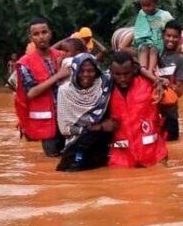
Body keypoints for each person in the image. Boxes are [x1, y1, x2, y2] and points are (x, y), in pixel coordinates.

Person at [15, 17, 68, 157]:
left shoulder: (63, 56)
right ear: (31, 38)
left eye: (44, 32)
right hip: (48, 124)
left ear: (50, 33)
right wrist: (57, 76)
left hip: (69, 119)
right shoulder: (25, 63)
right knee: (52, 160)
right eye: (36, 34)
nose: (41, 37)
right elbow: (31, 93)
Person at [56, 53, 116, 171]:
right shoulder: (64, 91)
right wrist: (98, 127)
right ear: (74, 70)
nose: (86, 75)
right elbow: (65, 129)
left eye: (90, 71)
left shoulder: (105, 83)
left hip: (101, 144)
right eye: (81, 71)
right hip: (76, 144)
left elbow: (128, 65)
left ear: (97, 71)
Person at [108, 51, 169, 168]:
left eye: (126, 73)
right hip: (121, 161)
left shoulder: (150, 84)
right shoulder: (104, 91)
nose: (122, 78)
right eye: (118, 74)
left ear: (134, 70)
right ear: (111, 72)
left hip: (155, 156)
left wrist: (162, 84)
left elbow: (170, 105)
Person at [121, 0, 174, 74]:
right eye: (143, 6)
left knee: (153, 49)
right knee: (143, 48)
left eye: (148, 5)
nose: (145, 8)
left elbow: (174, 29)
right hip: (144, 44)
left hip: (157, 45)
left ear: (156, 3)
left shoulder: (164, 15)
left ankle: (150, 71)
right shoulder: (142, 14)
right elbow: (138, 30)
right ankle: (143, 69)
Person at [157, 20, 183, 141]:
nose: (171, 39)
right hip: (150, 114)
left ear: (179, 38)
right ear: (162, 36)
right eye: (168, 35)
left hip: (169, 115)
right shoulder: (154, 55)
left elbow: (180, 92)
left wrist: (166, 84)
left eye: (175, 37)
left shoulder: (181, 60)